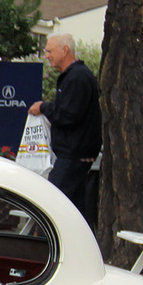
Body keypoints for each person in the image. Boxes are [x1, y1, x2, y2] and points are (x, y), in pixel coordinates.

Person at [28, 33, 101, 223]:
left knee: (52, 205)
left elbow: (69, 114)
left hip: (73, 156)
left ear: (65, 50)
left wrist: (44, 107)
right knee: (75, 211)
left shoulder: (77, 78)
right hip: (74, 155)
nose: (47, 56)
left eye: (50, 51)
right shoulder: (76, 76)